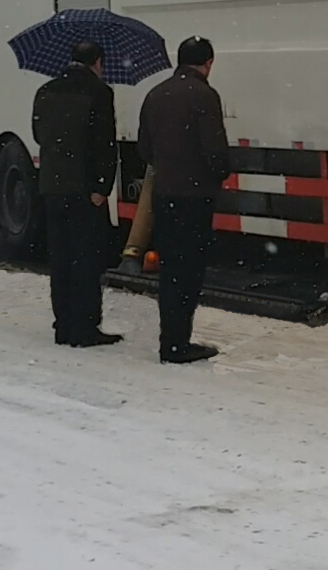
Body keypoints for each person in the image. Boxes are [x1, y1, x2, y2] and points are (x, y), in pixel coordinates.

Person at [138, 36, 230, 364]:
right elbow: (215, 149)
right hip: (195, 196)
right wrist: (219, 172)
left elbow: (144, 149)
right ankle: (179, 344)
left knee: (171, 269)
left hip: (164, 195)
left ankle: (170, 339)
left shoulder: (156, 94)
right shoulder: (205, 96)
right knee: (189, 271)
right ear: (208, 62)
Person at [31, 41, 120, 348]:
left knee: (60, 257)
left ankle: (63, 324)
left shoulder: (46, 91)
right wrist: (101, 186)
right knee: (86, 259)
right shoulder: (99, 92)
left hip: (52, 188)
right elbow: (105, 144)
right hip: (83, 189)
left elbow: (38, 134)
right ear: (97, 61)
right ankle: (85, 327)